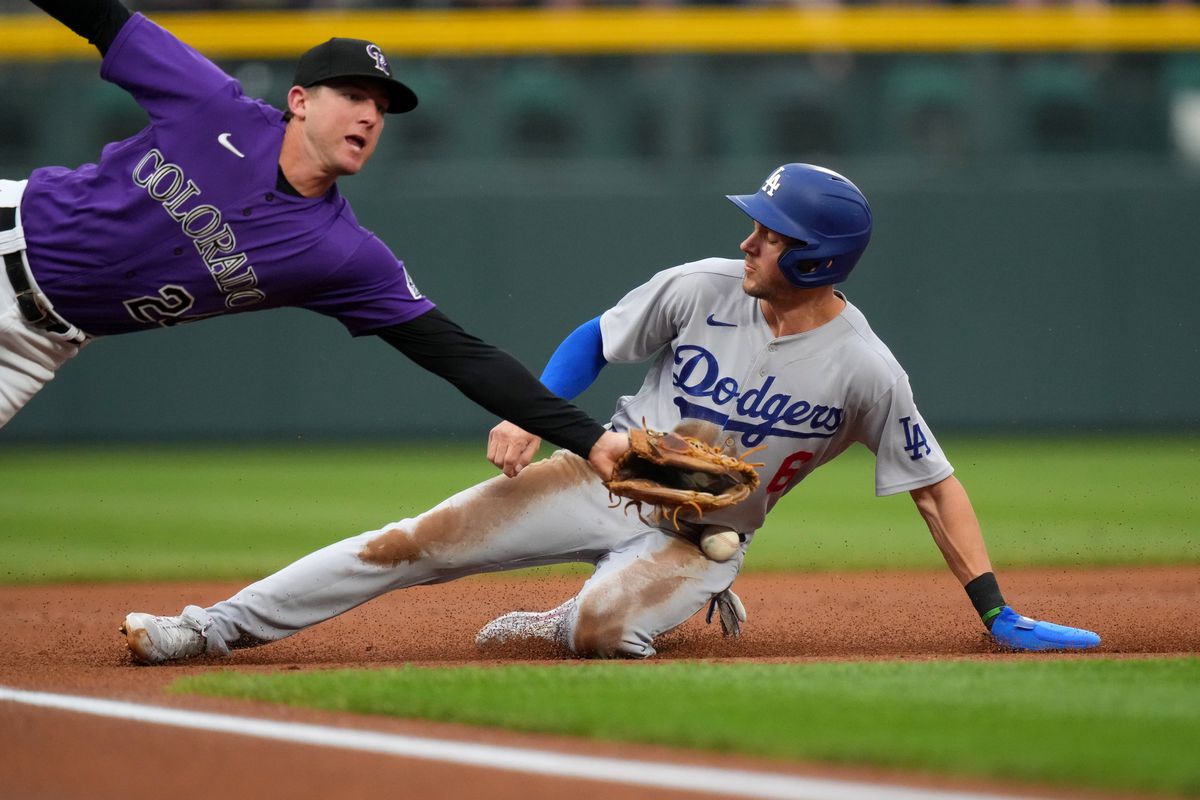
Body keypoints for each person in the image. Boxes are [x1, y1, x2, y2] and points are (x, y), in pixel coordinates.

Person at [120, 162, 1100, 664]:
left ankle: (597, 608)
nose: (750, 236)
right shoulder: (705, 283)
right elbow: (595, 335)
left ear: (819, 259)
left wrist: (997, 611)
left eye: (774, 230)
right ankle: (208, 628)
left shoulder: (864, 369)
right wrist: (542, 421)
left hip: (704, 535)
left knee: (599, 630)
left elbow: (935, 488)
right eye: (758, 222)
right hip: (600, 475)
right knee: (408, 542)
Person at [0, 0, 627, 476]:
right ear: (299, 100)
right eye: (353, 95)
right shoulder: (211, 105)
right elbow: (103, 19)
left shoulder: (342, 255)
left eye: (380, 108)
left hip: (35, 348)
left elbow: (462, 355)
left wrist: (592, 441)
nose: (369, 115)